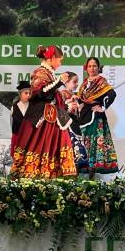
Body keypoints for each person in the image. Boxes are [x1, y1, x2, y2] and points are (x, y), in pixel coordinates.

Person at [10, 45, 76, 178]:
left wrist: (67, 106)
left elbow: (52, 96)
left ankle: (50, 175)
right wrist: (58, 82)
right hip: (42, 119)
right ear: (52, 58)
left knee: (53, 144)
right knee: (39, 144)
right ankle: (37, 175)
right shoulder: (40, 72)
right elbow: (40, 92)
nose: (60, 63)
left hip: (51, 117)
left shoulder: (49, 73)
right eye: (59, 60)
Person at [77, 57, 119, 178]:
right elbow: (80, 98)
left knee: (95, 144)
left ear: (98, 68)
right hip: (84, 117)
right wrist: (79, 104)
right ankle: (85, 173)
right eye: (89, 66)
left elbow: (112, 94)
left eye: (94, 66)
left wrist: (102, 107)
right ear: (86, 68)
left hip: (96, 117)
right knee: (85, 143)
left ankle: (92, 173)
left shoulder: (101, 81)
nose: (92, 68)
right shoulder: (84, 83)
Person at [59, 72, 89, 175]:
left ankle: (76, 174)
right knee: (72, 149)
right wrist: (69, 106)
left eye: (77, 82)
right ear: (66, 82)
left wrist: (80, 108)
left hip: (76, 125)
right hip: (68, 126)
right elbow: (59, 111)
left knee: (79, 151)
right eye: (74, 82)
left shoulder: (75, 95)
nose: (76, 84)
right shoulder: (62, 94)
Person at [10, 80, 31, 155]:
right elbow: (11, 123)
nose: (28, 95)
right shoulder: (14, 107)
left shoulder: (33, 107)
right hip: (17, 137)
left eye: (29, 93)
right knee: (18, 157)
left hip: (30, 138)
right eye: (26, 93)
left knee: (29, 158)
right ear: (20, 94)